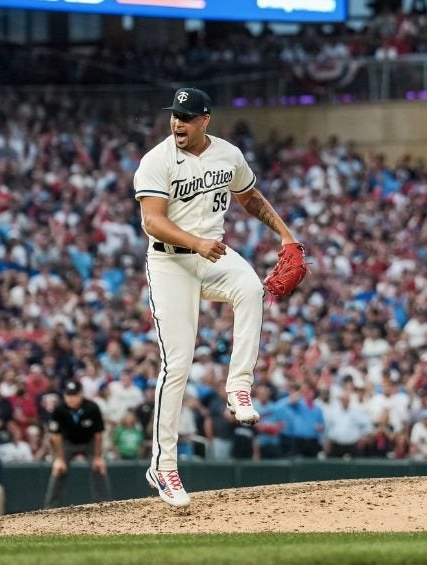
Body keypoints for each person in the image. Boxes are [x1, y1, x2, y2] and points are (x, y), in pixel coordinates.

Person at [133, 87, 300, 507]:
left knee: (250, 288)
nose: (177, 124)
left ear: (205, 119)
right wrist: (195, 242)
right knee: (177, 364)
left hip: (210, 254)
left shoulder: (228, 155)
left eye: (186, 118)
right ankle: (163, 466)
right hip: (170, 263)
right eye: (174, 116)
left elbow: (250, 197)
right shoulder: (157, 160)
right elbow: (152, 221)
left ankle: (239, 388)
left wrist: (285, 235)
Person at [45, 380, 110, 508]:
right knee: (58, 469)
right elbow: (55, 436)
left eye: (74, 395)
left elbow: (98, 434)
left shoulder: (91, 407)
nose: (71, 399)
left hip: (89, 442)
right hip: (68, 443)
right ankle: (50, 508)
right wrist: (59, 458)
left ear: (81, 395)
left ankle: (105, 505)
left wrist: (97, 457)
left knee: (99, 467)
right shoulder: (60, 410)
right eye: (68, 395)